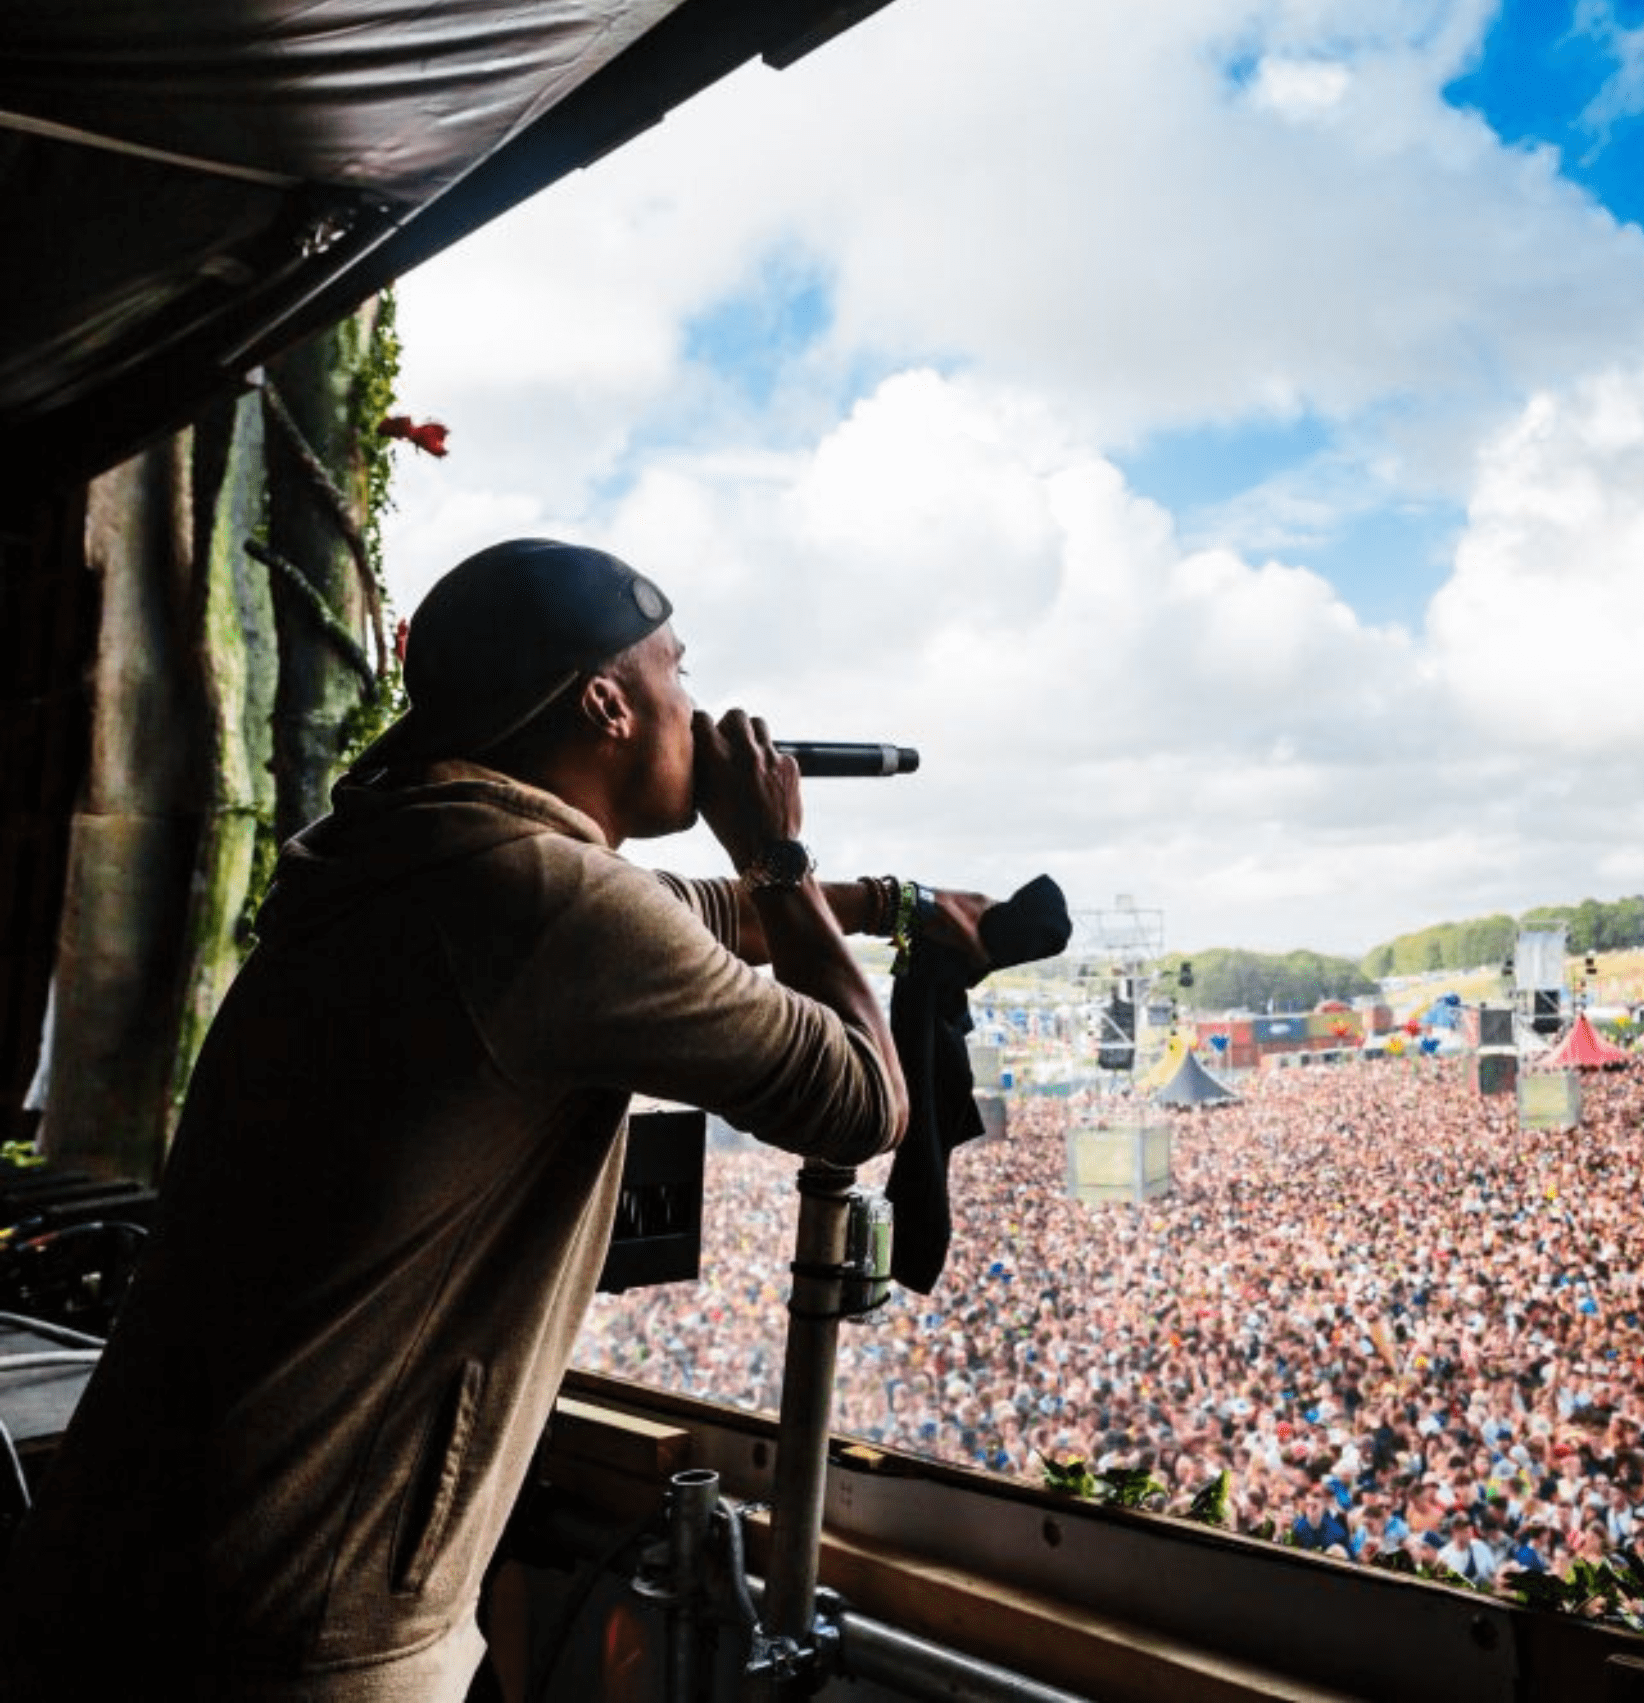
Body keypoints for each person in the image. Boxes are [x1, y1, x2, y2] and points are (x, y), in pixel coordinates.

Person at [0, 538, 986, 1701]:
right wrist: (777, 850)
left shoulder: (430, 852)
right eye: (678, 669)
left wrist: (890, 905)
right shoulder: (546, 904)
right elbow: (862, 1100)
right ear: (606, 703)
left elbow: (690, 914)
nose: (706, 706)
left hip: (139, 1573)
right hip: (293, 1618)